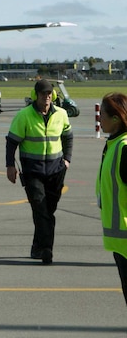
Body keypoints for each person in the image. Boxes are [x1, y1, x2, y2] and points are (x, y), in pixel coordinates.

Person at [5, 79, 73, 264]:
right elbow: (12, 142)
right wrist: (10, 166)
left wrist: (67, 159)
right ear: (36, 95)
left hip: (56, 171)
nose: (47, 96)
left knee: (47, 211)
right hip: (32, 171)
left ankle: (37, 246)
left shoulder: (61, 114)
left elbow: (68, 137)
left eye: (50, 93)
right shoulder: (24, 115)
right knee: (40, 208)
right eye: (43, 93)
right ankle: (46, 249)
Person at [96, 92, 127, 306]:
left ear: (116, 119)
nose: (100, 119)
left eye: (103, 115)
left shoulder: (124, 148)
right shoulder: (113, 145)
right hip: (121, 243)